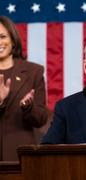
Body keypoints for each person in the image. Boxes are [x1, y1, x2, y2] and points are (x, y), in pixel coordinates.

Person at [0, 16, 48, 161]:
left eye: (2, 36)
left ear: (13, 40)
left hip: (20, 154)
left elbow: (41, 119)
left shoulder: (33, 72)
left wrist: (28, 107)